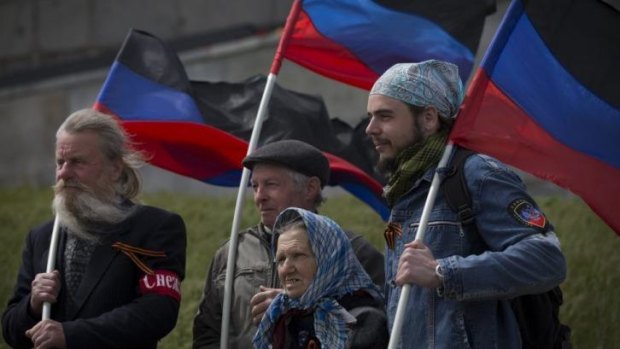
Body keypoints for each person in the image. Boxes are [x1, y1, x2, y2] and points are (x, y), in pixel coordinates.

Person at [365, 60, 567, 348]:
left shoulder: (477, 174)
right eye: (371, 116)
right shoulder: (403, 191)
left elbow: (547, 259)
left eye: (384, 116)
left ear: (429, 118)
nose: (370, 128)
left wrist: (442, 272)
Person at [2, 109, 187, 349]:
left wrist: (70, 335)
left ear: (115, 168)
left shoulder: (154, 227)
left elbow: (157, 311)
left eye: (77, 162)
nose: (64, 174)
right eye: (60, 162)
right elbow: (10, 330)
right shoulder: (42, 237)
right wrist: (32, 304)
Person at [192, 139, 384, 349]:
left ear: (310, 188)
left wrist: (299, 306)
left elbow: (378, 328)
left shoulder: (353, 251)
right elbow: (206, 335)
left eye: (271, 185)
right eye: (255, 186)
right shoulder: (231, 253)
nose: (259, 197)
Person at [253, 207, 388, 349]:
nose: (286, 268)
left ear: (327, 260)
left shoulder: (363, 322)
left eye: (298, 256)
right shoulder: (285, 317)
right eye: (281, 259)